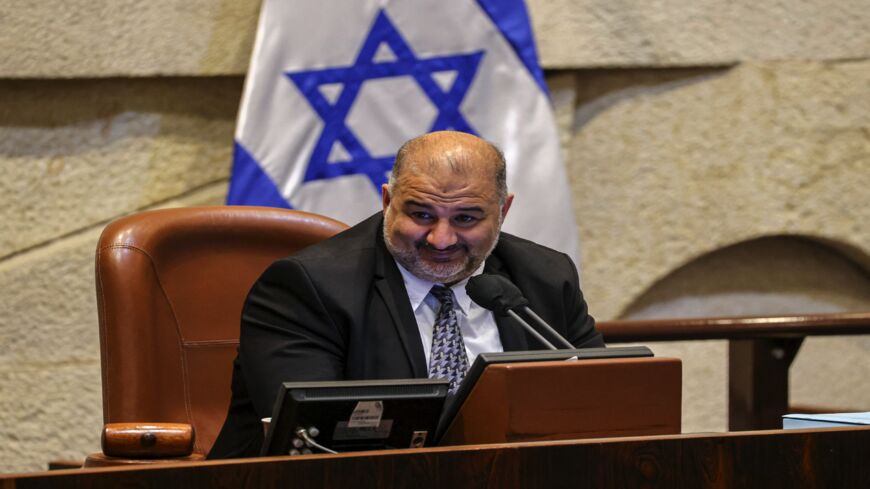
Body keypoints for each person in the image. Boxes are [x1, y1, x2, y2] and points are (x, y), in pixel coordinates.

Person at [209, 131, 604, 458]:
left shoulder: (546, 279)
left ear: (503, 211)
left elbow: (603, 406)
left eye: (466, 218)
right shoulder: (308, 287)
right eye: (421, 215)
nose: (441, 239)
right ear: (387, 203)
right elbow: (314, 442)